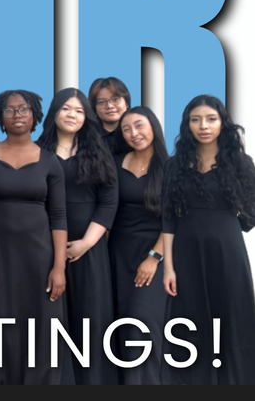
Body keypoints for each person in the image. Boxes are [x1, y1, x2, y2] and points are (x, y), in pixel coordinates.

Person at [0, 90, 68, 385]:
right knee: (0, 320)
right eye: (10, 110)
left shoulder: (50, 161)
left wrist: (59, 266)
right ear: (1, 116)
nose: (17, 115)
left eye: (23, 109)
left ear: (34, 115)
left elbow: (59, 216)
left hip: (40, 258)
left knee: (41, 323)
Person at [161, 95, 255, 384]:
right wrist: (168, 267)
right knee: (190, 320)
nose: (203, 126)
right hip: (186, 249)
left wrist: (234, 221)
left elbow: (251, 213)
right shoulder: (176, 164)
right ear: (187, 124)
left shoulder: (240, 162)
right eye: (196, 119)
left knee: (232, 318)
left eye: (211, 119)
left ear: (222, 123)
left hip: (227, 249)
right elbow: (168, 218)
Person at [37, 88, 118, 384]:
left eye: (80, 110)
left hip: (89, 247)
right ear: (54, 113)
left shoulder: (98, 152)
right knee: (52, 318)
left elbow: (109, 202)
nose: (73, 115)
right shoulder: (37, 152)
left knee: (91, 317)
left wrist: (86, 243)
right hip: (44, 245)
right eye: (66, 109)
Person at [109, 105, 169, 384]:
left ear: (153, 127)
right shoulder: (115, 162)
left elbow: (175, 218)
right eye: (126, 129)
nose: (134, 133)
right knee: (120, 324)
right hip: (118, 253)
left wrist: (154, 257)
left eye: (140, 125)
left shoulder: (171, 166)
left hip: (155, 254)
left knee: (142, 322)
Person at [88, 76, 131, 155]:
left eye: (115, 99)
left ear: (127, 103)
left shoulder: (135, 134)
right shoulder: (88, 138)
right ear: (95, 108)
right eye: (101, 102)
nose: (109, 106)